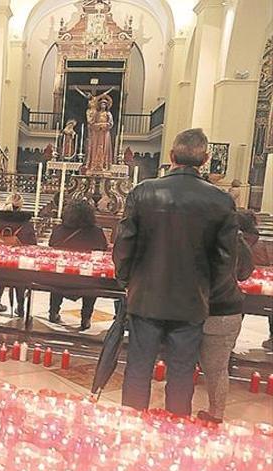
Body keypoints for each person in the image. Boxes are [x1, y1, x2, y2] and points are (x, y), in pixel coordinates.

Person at [115, 128, 238, 417]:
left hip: (145, 297)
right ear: (205, 159)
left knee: (138, 369)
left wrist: (125, 281)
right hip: (192, 302)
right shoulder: (221, 201)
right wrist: (209, 293)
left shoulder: (143, 191)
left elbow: (123, 245)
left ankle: (130, 430)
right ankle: (176, 432)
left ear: (171, 156)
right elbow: (226, 260)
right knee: (182, 374)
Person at [197, 216, 255, 423]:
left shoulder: (198, 234)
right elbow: (245, 273)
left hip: (197, 309)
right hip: (228, 309)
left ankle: (179, 412)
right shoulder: (236, 239)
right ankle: (216, 413)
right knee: (218, 368)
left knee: (183, 364)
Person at [48, 200, 109, 329]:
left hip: (61, 277)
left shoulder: (60, 229)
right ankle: (86, 318)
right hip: (87, 278)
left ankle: (53, 312)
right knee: (91, 285)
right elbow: (103, 249)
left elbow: (51, 245)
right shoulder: (96, 232)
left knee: (58, 276)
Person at [0, 192, 37, 317]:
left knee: (0, 277)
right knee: (20, 279)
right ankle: (20, 308)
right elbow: (32, 245)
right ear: (20, 206)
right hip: (18, 264)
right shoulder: (26, 224)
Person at [238, 210, 273, 350]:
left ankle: (230, 341)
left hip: (238, 284)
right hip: (263, 282)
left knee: (238, 310)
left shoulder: (234, 238)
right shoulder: (260, 241)